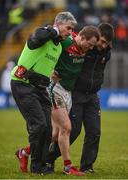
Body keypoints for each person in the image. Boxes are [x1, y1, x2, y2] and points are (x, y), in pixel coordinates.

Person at [15, 25, 100, 175]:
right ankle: (68, 166)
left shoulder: (85, 49)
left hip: (68, 91)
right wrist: (50, 70)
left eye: (93, 46)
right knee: (66, 127)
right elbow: (48, 47)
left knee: (54, 134)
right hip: (56, 87)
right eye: (90, 44)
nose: (91, 48)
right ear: (82, 37)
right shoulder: (65, 41)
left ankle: (25, 152)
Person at [11, 11, 77, 175]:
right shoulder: (42, 35)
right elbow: (36, 37)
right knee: (39, 125)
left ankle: (33, 159)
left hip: (40, 88)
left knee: (48, 129)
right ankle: (36, 167)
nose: (70, 32)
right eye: (67, 28)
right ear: (58, 24)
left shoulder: (58, 46)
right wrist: (54, 30)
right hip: (23, 84)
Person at [43, 23, 115, 173]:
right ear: (95, 37)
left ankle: (87, 167)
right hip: (76, 93)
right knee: (71, 130)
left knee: (94, 132)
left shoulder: (106, 52)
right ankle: (48, 159)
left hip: (93, 95)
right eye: (101, 41)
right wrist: (53, 70)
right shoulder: (85, 47)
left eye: (106, 43)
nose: (102, 45)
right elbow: (63, 52)